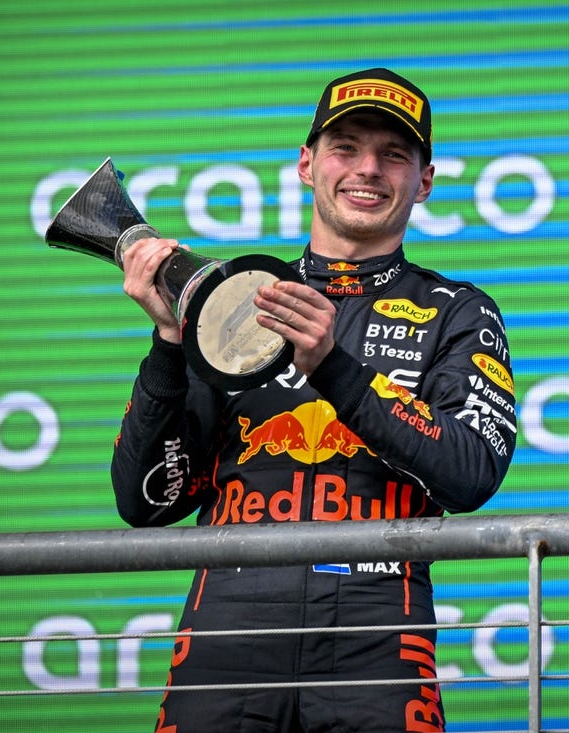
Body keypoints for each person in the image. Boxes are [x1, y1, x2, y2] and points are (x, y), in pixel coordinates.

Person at [110, 68, 517, 732]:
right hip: (226, 631)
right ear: (306, 164)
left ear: (425, 180)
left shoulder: (457, 312)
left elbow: (472, 470)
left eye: (394, 154)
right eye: (346, 147)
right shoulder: (240, 300)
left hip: (379, 630)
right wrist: (166, 342)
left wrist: (336, 369)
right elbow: (146, 500)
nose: (368, 169)